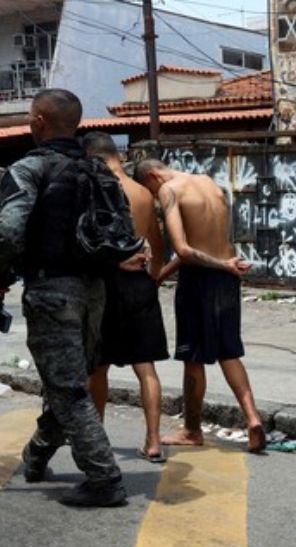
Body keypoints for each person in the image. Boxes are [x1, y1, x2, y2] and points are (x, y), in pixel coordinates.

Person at [0, 89, 128, 507]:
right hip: (95, 291)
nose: (29, 122)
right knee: (69, 383)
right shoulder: (97, 170)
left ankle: (104, 478)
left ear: (40, 121)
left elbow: (9, 230)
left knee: (67, 390)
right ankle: (37, 453)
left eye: (31, 116)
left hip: (52, 291)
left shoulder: (30, 168)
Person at [133, 158, 267, 453]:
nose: (155, 199)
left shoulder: (170, 191)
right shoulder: (209, 182)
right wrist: (159, 278)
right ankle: (253, 417)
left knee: (193, 357)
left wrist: (217, 266)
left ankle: (192, 431)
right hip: (228, 276)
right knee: (228, 351)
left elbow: (183, 249)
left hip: (200, 281)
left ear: (153, 176)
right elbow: (198, 246)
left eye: (151, 192)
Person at [81, 132, 169, 463]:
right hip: (139, 284)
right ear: (117, 155)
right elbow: (158, 246)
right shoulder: (144, 192)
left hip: (104, 283)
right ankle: (154, 441)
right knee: (145, 369)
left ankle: (98, 440)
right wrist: (153, 281)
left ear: (92, 157)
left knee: (98, 368)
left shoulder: (94, 189)